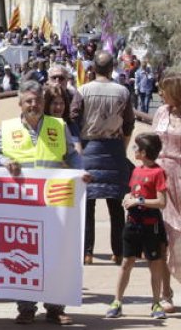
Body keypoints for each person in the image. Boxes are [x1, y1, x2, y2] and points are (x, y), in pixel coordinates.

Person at [0, 80, 90, 325]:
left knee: (55, 253)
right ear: (20, 104)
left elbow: (71, 155)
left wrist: (81, 172)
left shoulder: (59, 125)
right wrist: (4, 162)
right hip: (21, 203)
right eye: (28, 101)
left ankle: (55, 308)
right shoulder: (7, 127)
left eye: (37, 100)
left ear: (43, 102)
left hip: (54, 203)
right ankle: (26, 307)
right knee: (22, 255)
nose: (33, 105)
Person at [73, 52, 135, 266]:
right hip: (114, 148)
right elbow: (128, 124)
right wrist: (123, 146)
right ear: (112, 68)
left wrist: (77, 146)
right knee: (116, 205)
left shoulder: (82, 91)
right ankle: (118, 252)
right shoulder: (122, 91)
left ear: (93, 69)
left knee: (87, 204)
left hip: (88, 147)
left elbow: (74, 119)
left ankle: (87, 252)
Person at [106, 133, 170, 320]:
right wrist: (128, 198)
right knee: (126, 263)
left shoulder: (158, 172)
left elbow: (161, 202)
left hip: (151, 226)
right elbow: (132, 192)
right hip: (132, 224)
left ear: (144, 152)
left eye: (136, 148)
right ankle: (117, 301)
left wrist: (138, 200)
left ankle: (156, 302)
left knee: (155, 264)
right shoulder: (136, 170)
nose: (134, 151)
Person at [152, 74, 181, 312]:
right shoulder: (161, 112)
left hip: (180, 180)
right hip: (160, 180)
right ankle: (166, 293)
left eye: (164, 89)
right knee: (163, 237)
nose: (160, 93)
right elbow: (152, 143)